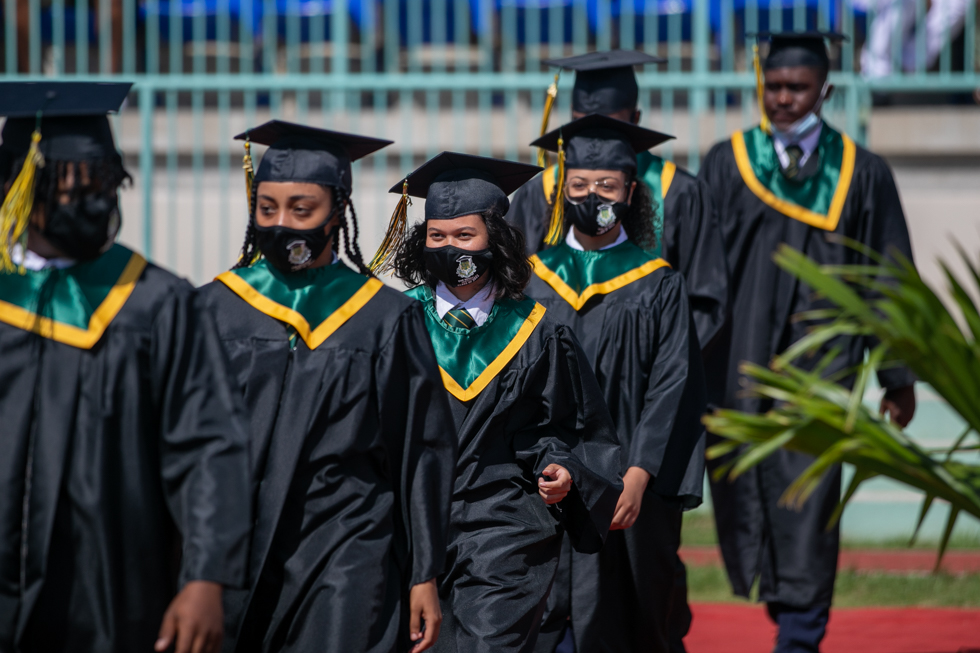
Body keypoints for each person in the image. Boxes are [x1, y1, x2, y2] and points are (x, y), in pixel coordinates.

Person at [0, 81, 251, 653]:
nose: (87, 201)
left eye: (99, 183)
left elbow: (209, 444)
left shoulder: (155, 303)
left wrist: (206, 576)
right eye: (67, 186)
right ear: (17, 184)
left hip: (109, 585)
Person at [198, 120, 457, 653]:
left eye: (301, 209)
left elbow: (420, 450)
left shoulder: (382, 317)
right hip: (233, 537)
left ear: (338, 209)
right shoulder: (216, 308)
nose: (282, 223)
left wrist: (423, 571)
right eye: (266, 209)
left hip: (346, 536)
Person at [699, 31, 917, 653]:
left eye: (797, 89)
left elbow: (889, 277)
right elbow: (699, 270)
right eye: (773, 88)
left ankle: (799, 635)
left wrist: (895, 377)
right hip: (737, 365)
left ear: (825, 90)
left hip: (821, 372)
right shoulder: (726, 162)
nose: (783, 100)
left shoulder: (863, 173)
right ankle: (784, 607)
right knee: (743, 500)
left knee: (809, 502)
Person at [382, 151, 623, 653]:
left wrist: (563, 469)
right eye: (437, 237)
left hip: (505, 523)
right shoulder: (394, 325)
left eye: (465, 237)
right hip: (411, 523)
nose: (451, 249)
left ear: (496, 238)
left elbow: (562, 426)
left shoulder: (538, 331)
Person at [526, 114, 708, 653]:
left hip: (631, 478)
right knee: (545, 607)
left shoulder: (658, 282)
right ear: (561, 192)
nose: (592, 196)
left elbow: (673, 383)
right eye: (578, 185)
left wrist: (638, 472)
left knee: (634, 611)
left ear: (631, 190)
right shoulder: (535, 274)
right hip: (547, 473)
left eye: (605, 186)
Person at [507, 49, 728, 356]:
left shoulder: (680, 191)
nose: (593, 137)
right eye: (580, 125)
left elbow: (706, 301)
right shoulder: (541, 192)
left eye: (608, 126)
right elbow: (514, 291)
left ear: (635, 120)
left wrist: (661, 366)